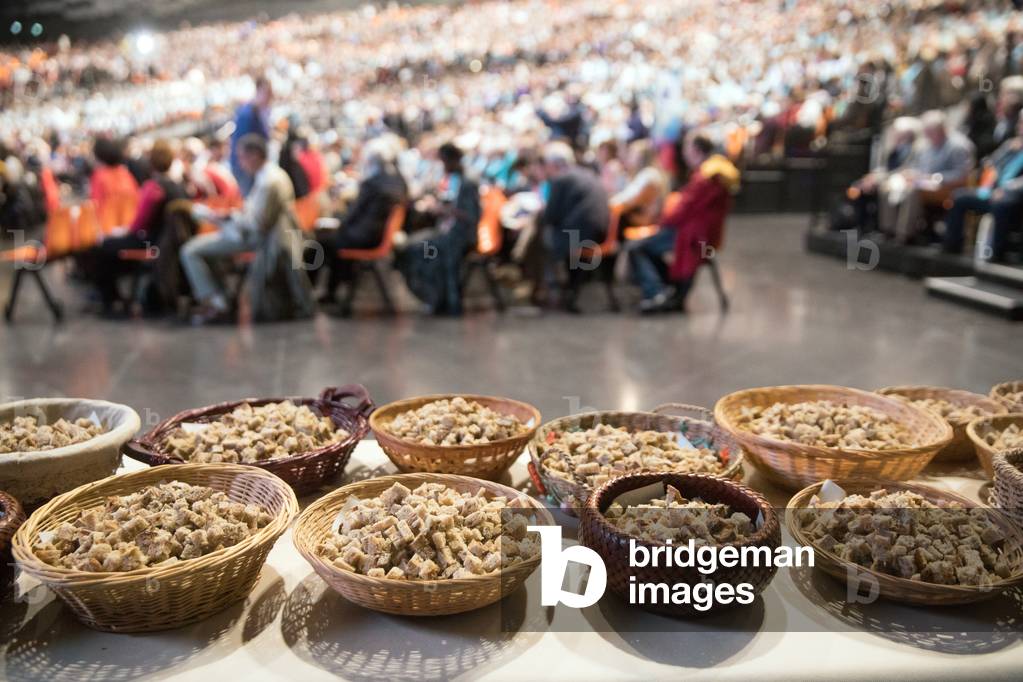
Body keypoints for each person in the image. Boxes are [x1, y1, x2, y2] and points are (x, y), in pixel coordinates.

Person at [180, 134, 311, 323]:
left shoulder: (270, 181)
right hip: (263, 234)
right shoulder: (270, 175)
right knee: (204, 249)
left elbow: (256, 224)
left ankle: (217, 302)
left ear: (255, 155)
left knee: (190, 250)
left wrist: (224, 218)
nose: (240, 163)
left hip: (257, 238)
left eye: (242, 157)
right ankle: (221, 297)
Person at [628, 132, 739, 312]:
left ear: (696, 150)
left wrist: (662, 221)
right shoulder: (717, 172)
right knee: (644, 246)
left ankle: (656, 293)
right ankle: (668, 290)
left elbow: (682, 210)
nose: (684, 153)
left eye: (687, 148)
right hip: (704, 236)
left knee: (637, 247)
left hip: (692, 237)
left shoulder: (705, 177)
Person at [87, 140, 187, 314]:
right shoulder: (178, 186)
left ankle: (111, 299)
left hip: (151, 242)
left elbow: (138, 225)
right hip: (165, 243)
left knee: (101, 248)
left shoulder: (153, 188)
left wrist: (119, 232)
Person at [316, 136, 408, 303]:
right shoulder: (399, 181)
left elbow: (352, 216)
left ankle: (329, 292)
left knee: (322, 241)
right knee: (334, 241)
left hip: (365, 237)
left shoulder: (371, 184)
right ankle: (338, 285)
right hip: (376, 235)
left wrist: (338, 222)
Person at [399, 142, 481, 315]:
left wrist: (443, 210)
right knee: (415, 246)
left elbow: (471, 215)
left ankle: (443, 299)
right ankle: (435, 296)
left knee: (425, 250)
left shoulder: (468, 182)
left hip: (459, 237)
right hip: (446, 233)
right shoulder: (455, 179)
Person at [878, 110, 974, 244]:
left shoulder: (958, 146)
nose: (928, 136)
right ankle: (889, 230)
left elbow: (962, 175)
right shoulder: (925, 145)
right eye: (926, 132)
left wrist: (934, 177)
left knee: (913, 192)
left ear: (942, 129)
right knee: (887, 188)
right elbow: (915, 166)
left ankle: (905, 235)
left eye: (931, 132)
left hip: (947, 188)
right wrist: (911, 174)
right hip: (922, 184)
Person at [943, 112, 1023, 259]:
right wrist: (1008, 152)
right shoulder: (1011, 145)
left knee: (1001, 206)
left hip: (1013, 198)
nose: (1019, 127)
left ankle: (997, 253)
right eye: (1019, 123)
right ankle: (952, 246)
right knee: (959, 196)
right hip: (991, 192)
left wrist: (1006, 190)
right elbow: (991, 163)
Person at [538, 141, 609, 308]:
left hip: (578, 236)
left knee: (540, 237)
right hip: (599, 232)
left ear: (553, 164)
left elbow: (550, 215)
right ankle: (563, 288)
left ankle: (544, 286)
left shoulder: (560, 179)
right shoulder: (587, 174)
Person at [611, 139, 669, 228]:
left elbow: (627, 201)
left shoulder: (649, 174)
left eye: (632, 154)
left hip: (645, 223)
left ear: (641, 158)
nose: (628, 157)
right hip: (642, 219)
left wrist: (607, 204)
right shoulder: (645, 173)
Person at [230, 76, 273, 196]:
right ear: (258, 91)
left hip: (251, 165)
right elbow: (243, 145)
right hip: (246, 167)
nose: (269, 98)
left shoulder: (258, 112)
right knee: (252, 199)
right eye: (267, 94)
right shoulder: (247, 114)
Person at [89, 137, 139, 222]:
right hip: (130, 224)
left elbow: (96, 205)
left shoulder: (99, 176)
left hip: (108, 226)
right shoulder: (126, 174)